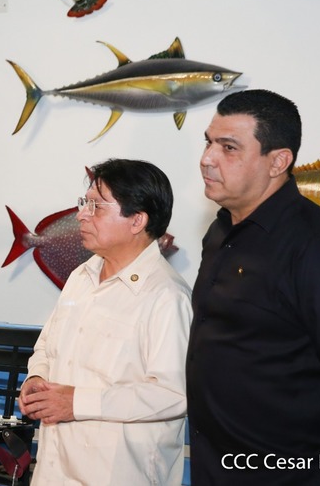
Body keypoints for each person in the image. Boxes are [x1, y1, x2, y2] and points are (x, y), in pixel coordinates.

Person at [187, 89, 320, 485]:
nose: (207, 158)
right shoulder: (220, 231)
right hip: (217, 467)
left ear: (278, 161)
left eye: (228, 148)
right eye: (208, 143)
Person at [18, 158, 192, 485]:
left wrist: (76, 403)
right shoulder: (81, 277)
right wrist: (37, 378)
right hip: (54, 469)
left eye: (96, 206)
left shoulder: (167, 296)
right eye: (84, 203)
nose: (81, 215)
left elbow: (173, 394)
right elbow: (47, 347)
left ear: (137, 220)